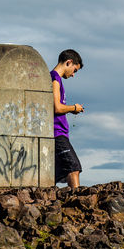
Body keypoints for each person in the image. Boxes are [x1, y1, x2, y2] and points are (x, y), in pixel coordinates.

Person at [51, 49, 84, 188]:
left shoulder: (57, 79)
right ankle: (77, 202)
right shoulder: (54, 78)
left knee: (57, 174)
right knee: (73, 167)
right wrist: (73, 108)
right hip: (57, 133)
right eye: (74, 70)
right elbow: (56, 107)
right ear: (68, 62)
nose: (73, 75)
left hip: (61, 133)